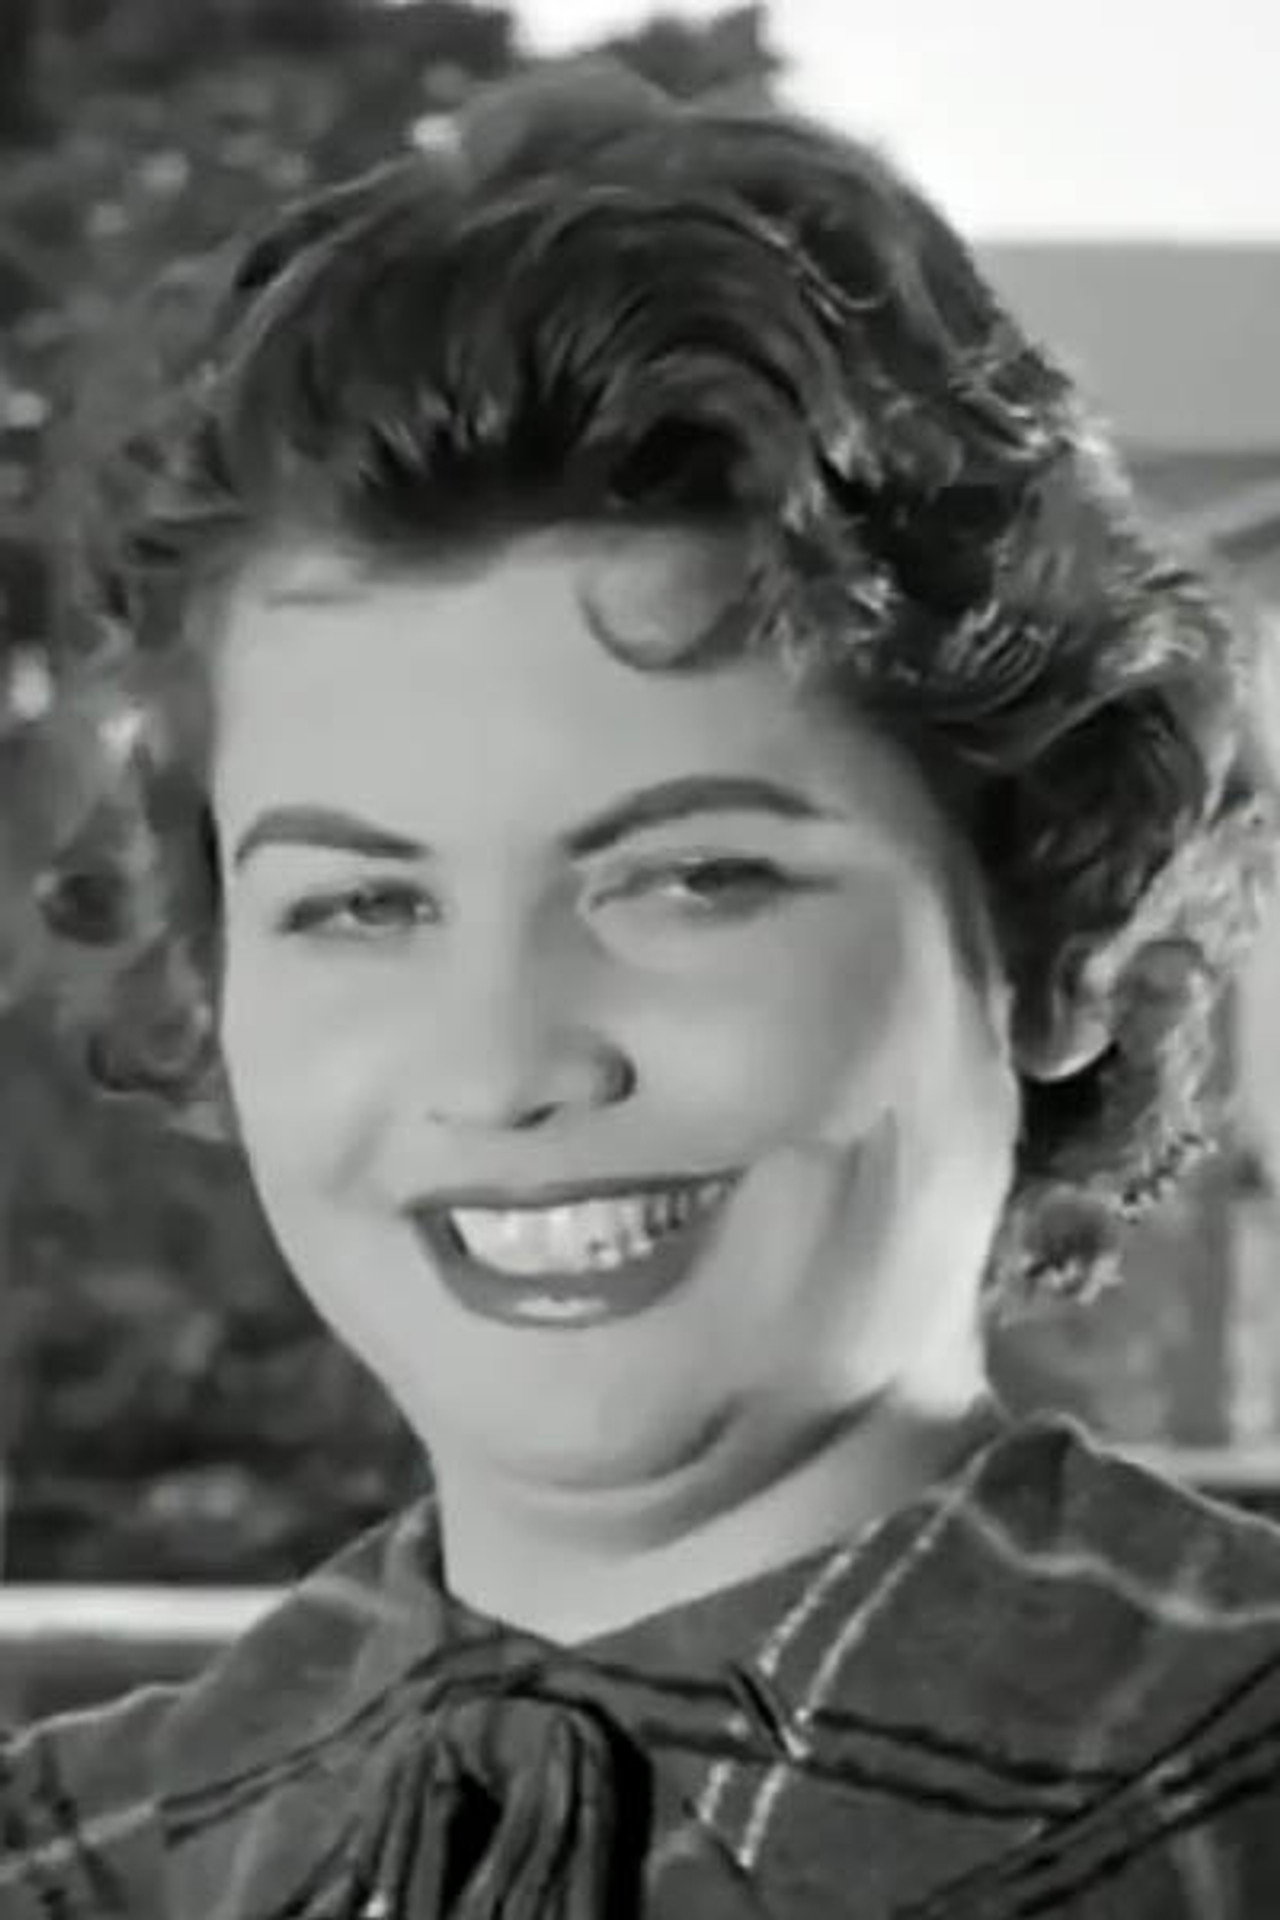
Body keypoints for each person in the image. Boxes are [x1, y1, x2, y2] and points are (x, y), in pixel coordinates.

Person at [7, 61, 1280, 1920]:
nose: (503, 1060)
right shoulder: (76, 1864)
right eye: (361, 904)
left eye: (693, 878)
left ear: (1058, 946)